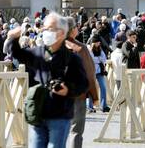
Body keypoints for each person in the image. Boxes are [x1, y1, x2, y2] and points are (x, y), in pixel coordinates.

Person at [10, 12, 89, 148]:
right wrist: (14, 38)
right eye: (44, 29)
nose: (46, 32)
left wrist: (68, 90)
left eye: (50, 29)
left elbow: (84, 84)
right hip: (38, 111)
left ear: (62, 33)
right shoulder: (38, 52)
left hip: (60, 114)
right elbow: (19, 54)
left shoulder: (72, 58)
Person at [65, 17, 98, 148]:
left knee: (56, 130)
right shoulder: (80, 48)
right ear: (72, 30)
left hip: (56, 94)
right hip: (77, 94)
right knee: (76, 131)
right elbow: (89, 73)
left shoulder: (53, 46)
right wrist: (94, 96)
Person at [87, 35, 110, 113]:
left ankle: (104, 106)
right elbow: (92, 59)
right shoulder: (89, 50)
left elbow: (104, 58)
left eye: (99, 42)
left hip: (100, 71)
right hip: (91, 71)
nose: (99, 43)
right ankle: (89, 106)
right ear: (94, 43)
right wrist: (99, 59)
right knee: (91, 89)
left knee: (103, 87)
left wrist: (98, 60)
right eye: (97, 42)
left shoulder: (100, 49)